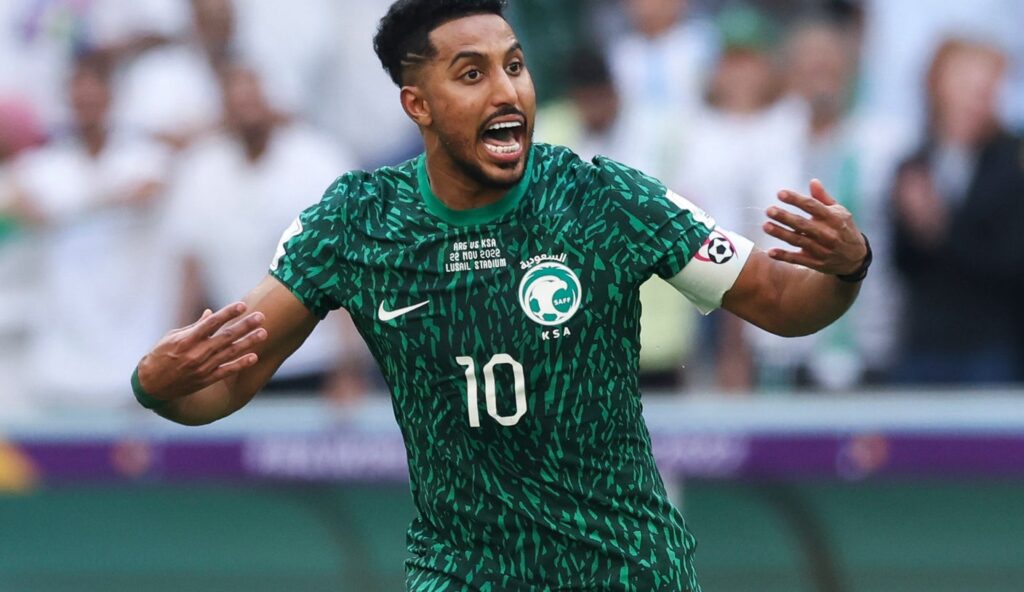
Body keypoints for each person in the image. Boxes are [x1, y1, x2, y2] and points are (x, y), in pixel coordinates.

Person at [132, 1, 871, 589]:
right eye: (472, 73)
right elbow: (224, 385)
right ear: (418, 104)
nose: (508, 89)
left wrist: (846, 268)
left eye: (515, 65)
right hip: (461, 574)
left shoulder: (602, 199)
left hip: (624, 570)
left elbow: (782, 302)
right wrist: (157, 386)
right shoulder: (357, 222)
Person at [165, 63, 372, 400]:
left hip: (316, 358)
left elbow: (349, 266)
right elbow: (191, 275)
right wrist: (178, 365)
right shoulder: (200, 170)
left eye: (253, 95)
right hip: (233, 359)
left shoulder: (320, 161)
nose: (246, 106)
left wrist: (349, 367)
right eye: (236, 99)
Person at [891, 38, 1024, 384]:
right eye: (967, 85)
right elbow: (900, 263)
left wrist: (940, 229)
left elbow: (1012, 260)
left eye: (987, 87)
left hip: (992, 346)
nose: (978, 97)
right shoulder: (915, 163)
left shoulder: (1013, 161)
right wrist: (915, 226)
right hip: (924, 343)